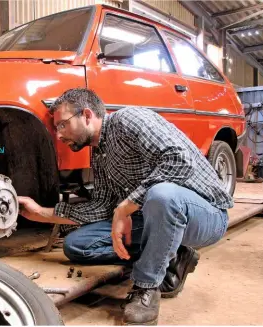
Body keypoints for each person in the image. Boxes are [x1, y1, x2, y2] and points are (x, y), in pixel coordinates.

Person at [17, 88, 232, 325]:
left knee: (163, 195)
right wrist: (40, 213)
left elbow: (179, 161)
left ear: (87, 115)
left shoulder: (129, 120)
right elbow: (101, 207)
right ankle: (172, 254)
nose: (59, 135)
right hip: (154, 219)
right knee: (77, 245)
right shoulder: (99, 154)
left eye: (62, 125)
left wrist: (126, 206)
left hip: (206, 215)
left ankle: (147, 287)